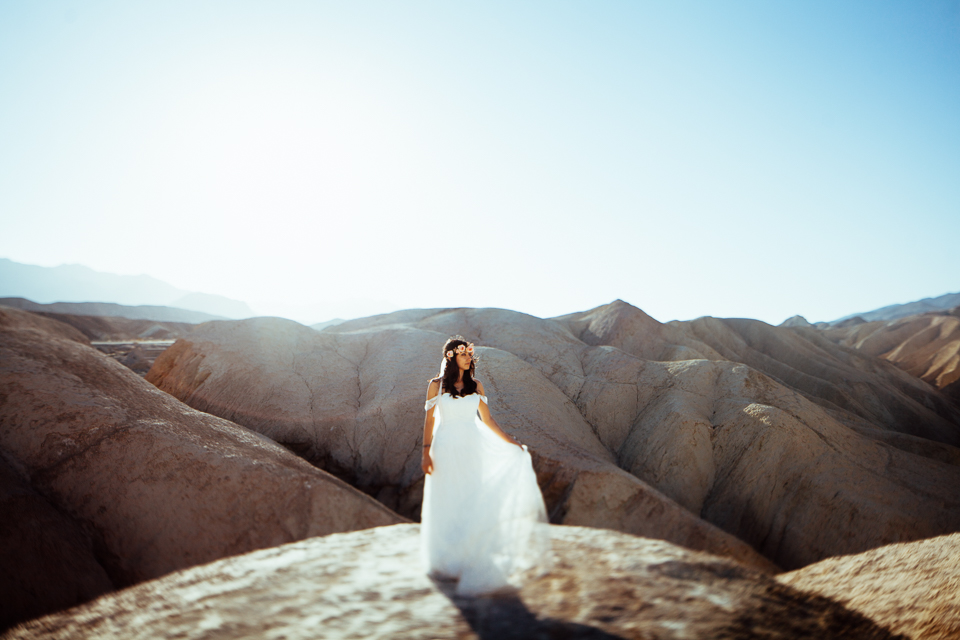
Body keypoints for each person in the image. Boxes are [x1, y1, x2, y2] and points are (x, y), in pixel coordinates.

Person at [420, 335, 552, 596]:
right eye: (464, 354)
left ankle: (470, 558)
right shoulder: (436, 386)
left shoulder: (477, 385)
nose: (469, 357)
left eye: (469, 354)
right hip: (445, 447)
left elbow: (488, 421)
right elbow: (429, 421)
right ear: (451, 357)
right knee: (447, 500)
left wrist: (512, 443)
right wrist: (425, 452)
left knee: (471, 500)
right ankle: (447, 561)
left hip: (473, 447)